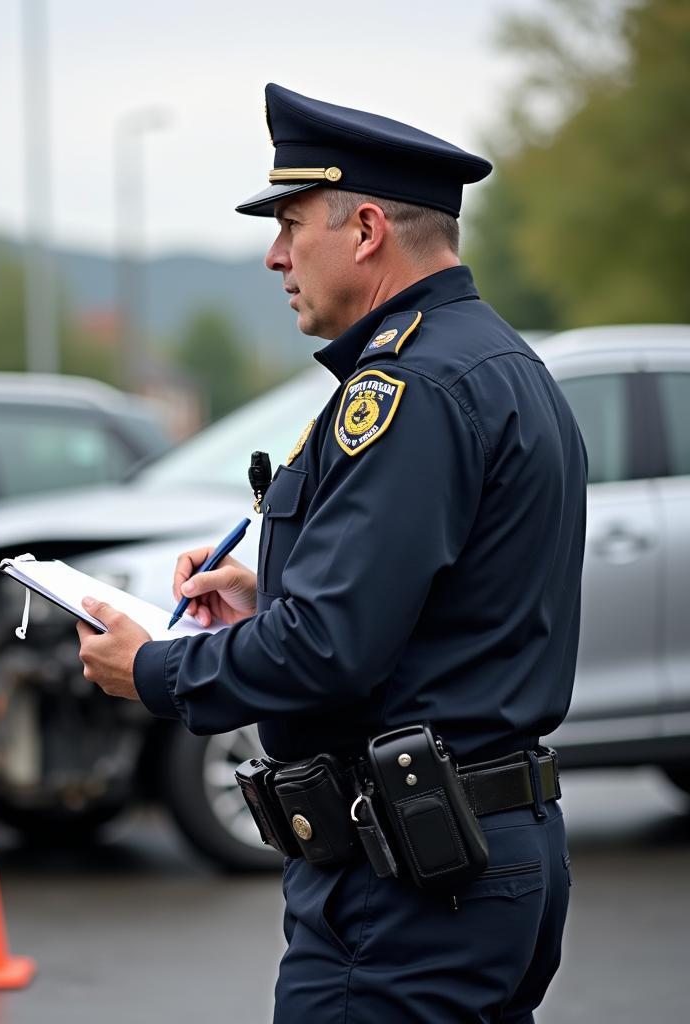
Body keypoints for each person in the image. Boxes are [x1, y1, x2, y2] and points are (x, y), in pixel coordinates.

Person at [76, 82, 587, 1023]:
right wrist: (269, 588)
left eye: (289, 224)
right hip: (477, 852)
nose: (274, 255)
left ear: (362, 230)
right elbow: (441, 599)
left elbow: (327, 647)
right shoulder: (500, 364)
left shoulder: (411, 390)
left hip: (412, 885)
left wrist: (155, 668)